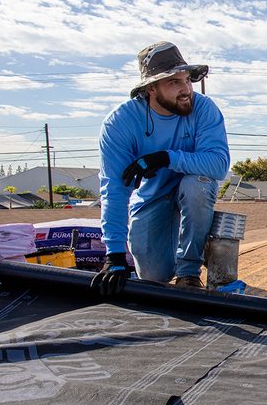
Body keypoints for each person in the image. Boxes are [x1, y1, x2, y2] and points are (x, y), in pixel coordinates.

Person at [92, 42, 230, 297]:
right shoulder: (120, 124)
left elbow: (218, 165)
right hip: (152, 196)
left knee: (196, 184)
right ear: (151, 88)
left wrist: (166, 157)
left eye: (187, 80)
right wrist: (114, 255)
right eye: (174, 82)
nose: (186, 89)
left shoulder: (203, 109)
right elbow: (114, 189)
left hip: (193, 189)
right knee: (154, 279)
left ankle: (189, 271)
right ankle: (170, 260)